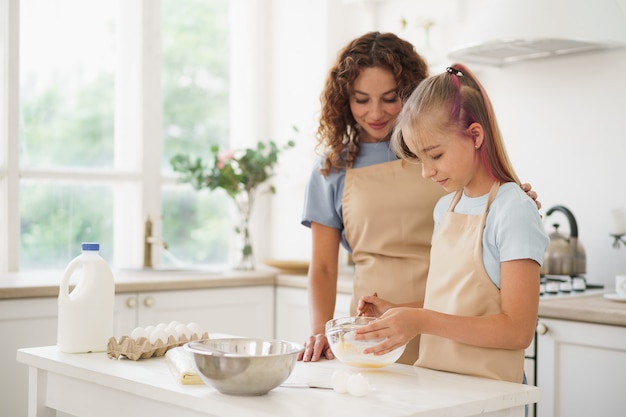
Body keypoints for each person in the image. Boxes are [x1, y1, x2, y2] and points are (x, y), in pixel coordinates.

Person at [299, 32, 540, 365]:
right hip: (381, 327)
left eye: (389, 98)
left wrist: (509, 200)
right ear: (344, 100)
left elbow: (484, 202)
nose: (375, 112)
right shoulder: (333, 170)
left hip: (452, 327)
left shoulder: (451, 156)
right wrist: (322, 331)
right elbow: (323, 268)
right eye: (361, 99)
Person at [354, 63, 549, 384]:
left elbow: (517, 331)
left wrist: (420, 321)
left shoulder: (513, 209)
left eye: (435, 155)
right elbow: (453, 303)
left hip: (491, 394)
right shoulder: (445, 208)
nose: (426, 172)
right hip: (437, 386)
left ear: (475, 136)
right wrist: (398, 312)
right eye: (420, 158)